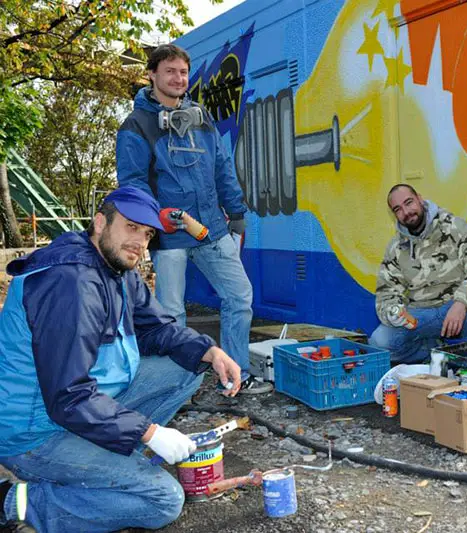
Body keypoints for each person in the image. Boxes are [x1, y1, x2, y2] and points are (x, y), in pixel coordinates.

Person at [0, 187, 243, 532]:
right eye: (131, 227)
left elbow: (156, 328)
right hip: (35, 433)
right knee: (163, 500)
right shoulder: (71, 284)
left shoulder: (116, 270)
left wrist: (210, 350)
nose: (140, 242)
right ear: (100, 223)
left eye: (147, 234)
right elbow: (68, 396)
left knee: (190, 363)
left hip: (74, 411)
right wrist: (149, 432)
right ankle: (15, 501)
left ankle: (110, 458)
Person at [116, 43, 267, 394]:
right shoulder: (136, 125)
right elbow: (132, 182)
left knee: (240, 296)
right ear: (152, 75)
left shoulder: (201, 118)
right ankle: (180, 385)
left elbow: (222, 168)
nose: (178, 78)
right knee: (171, 313)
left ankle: (235, 373)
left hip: (211, 229)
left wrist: (237, 212)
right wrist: (155, 215)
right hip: (169, 236)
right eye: (169, 71)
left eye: (183, 72)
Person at [370, 184, 467, 363]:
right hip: (419, 315)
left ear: (420, 199)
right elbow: (386, 293)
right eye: (398, 209)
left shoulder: (456, 227)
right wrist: (393, 313)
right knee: (378, 342)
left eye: (409, 202)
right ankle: (434, 354)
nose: (406, 212)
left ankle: (464, 362)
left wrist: (461, 302)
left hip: (456, 306)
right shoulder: (395, 247)